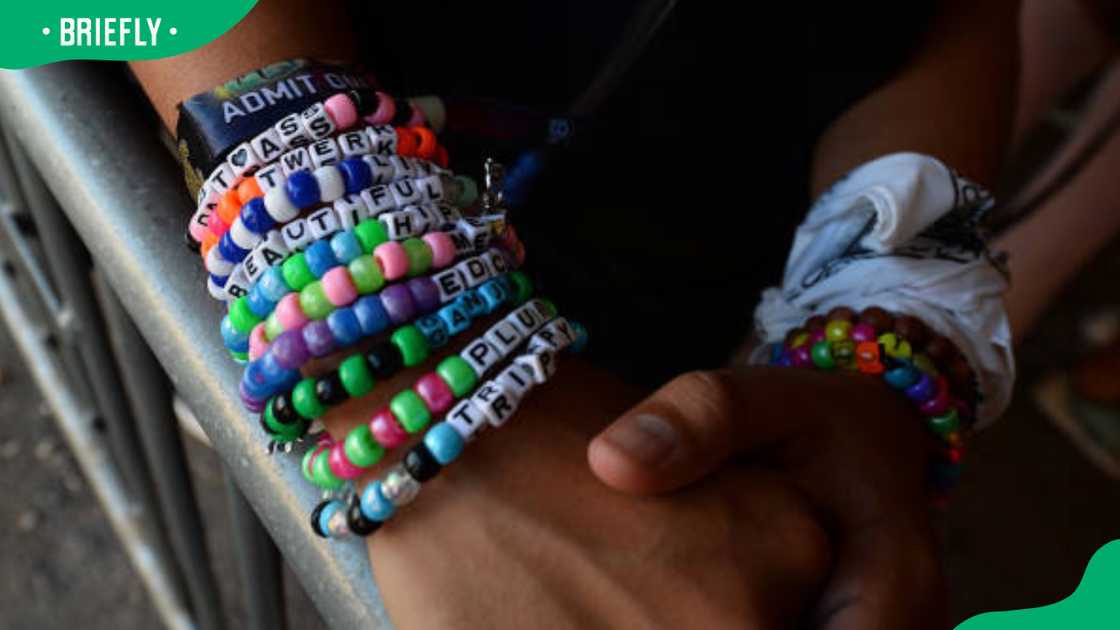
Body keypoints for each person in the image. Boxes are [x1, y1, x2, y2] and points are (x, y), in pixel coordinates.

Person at [129, 0, 1111, 627]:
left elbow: (951, 20)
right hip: (298, 138)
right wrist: (437, 409)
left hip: (672, 296)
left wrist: (883, 334)